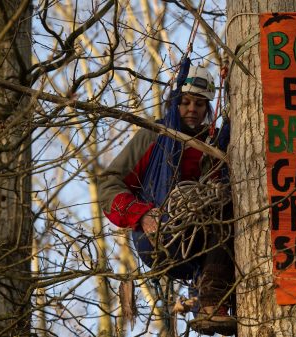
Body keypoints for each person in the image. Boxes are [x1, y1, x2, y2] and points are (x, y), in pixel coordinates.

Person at [98, 65, 236, 336]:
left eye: (199, 103)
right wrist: (142, 215)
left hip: (201, 236)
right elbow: (109, 182)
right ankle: (210, 302)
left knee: (226, 203)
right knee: (219, 209)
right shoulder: (154, 136)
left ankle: (213, 303)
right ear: (174, 103)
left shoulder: (215, 142)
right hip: (160, 234)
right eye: (184, 102)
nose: (191, 109)